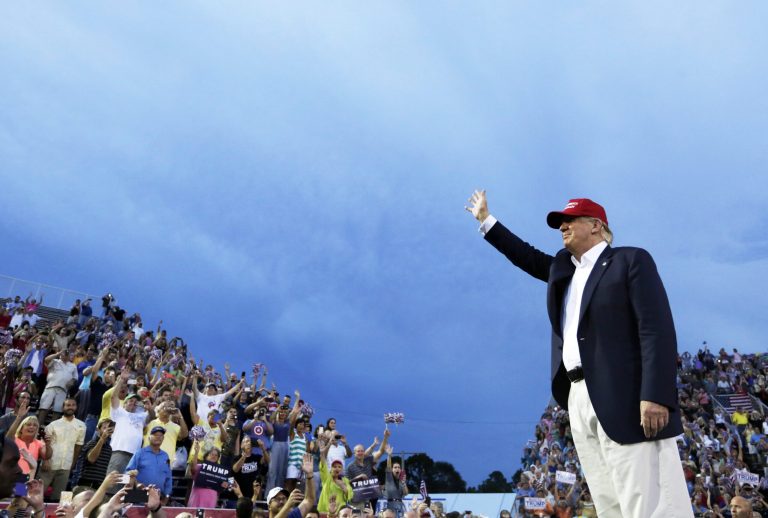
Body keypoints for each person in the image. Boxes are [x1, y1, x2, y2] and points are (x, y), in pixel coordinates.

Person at [466, 192, 691, 517]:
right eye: (560, 222)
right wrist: (487, 221)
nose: (563, 227)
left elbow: (657, 329)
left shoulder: (630, 260)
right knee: (607, 497)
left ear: (597, 225)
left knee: (646, 497)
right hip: (577, 395)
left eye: (570, 220)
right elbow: (525, 256)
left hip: (625, 393)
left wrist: (656, 395)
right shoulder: (564, 270)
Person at [40, 397, 86, 501]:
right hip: (50, 464)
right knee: (38, 494)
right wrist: (45, 460)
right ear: (63, 407)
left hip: (66, 466)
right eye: (68, 405)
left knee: (58, 498)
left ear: (76, 407)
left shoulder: (82, 426)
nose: (70, 407)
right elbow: (44, 444)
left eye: (73, 405)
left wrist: (72, 464)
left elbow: (78, 446)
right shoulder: (53, 425)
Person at [126, 426, 173, 503]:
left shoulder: (165, 456)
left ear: (163, 439)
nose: (158, 437)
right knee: (134, 514)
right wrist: (137, 484)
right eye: (155, 435)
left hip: (158, 496)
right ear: (149, 438)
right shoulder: (140, 453)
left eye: (160, 435)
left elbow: (168, 478)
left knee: (155, 515)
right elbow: (128, 473)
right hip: (138, 494)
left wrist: (167, 496)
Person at [383, 444, 408, 518]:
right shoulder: (389, 479)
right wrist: (389, 455)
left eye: (398, 467)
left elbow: (406, 493)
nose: (397, 469)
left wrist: (404, 484)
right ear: (392, 469)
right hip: (391, 505)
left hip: (400, 506)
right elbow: (388, 467)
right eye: (395, 467)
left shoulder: (401, 481)